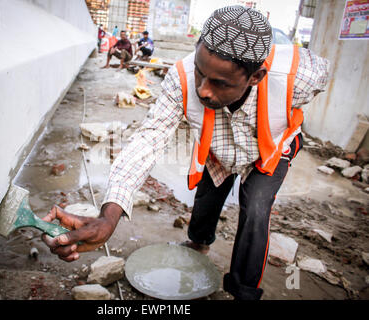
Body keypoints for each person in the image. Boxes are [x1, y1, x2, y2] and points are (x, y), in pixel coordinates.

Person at [42, 6, 329, 300]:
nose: (203, 91)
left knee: (256, 207)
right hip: (221, 147)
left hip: (272, 148)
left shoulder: (299, 75)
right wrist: (109, 215)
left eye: (219, 83)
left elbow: (325, 72)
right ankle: (199, 242)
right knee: (209, 191)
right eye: (200, 74)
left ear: (255, 77)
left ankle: (243, 291)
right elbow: (149, 139)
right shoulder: (180, 78)